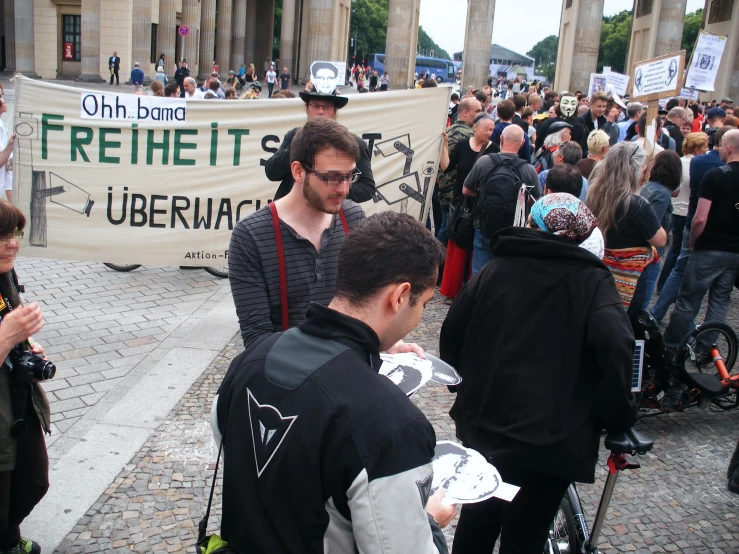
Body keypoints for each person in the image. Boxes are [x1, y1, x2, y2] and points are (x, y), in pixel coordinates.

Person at [215, 211, 453, 554]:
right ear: (400, 296)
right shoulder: (391, 425)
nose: (418, 318)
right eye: (424, 304)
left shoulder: (250, 361)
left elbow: (231, 440)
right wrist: (429, 521)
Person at [440, 192, 637, 554]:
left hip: (488, 426)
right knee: (526, 533)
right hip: (553, 439)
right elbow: (617, 350)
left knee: (477, 522)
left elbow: (452, 334)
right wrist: (618, 417)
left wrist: (464, 389)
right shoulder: (593, 284)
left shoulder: (495, 270)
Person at [232, 119, 367, 350]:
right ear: (298, 171)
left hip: (349, 366)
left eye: (349, 176)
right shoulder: (251, 235)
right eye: (332, 177)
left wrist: (389, 342)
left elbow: (366, 304)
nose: (344, 189)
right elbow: (257, 340)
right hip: (287, 374)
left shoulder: (353, 219)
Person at [0, 201, 51, 554]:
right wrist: (7, 335)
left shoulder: (6, 277)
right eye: (1, 236)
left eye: (15, 233)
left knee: (32, 480)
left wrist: (27, 344)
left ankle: (7, 535)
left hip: (17, 405)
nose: (12, 243)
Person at [663, 129, 739, 358]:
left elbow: (700, 217)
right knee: (720, 300)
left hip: (709, 247)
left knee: (689, 300)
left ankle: (671, 345)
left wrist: (693, 241)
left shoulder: (716, 175)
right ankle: (704, 348)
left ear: (727, 148)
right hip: (734, 251)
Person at [650, 126, 732, 325]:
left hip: (697, 225)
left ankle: (658, 316)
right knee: (719, 297)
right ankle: (706, 342)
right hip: (725, 236)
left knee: (684, 277)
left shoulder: (699, 161)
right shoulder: (709, 164)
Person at [586, 142, 666, 317]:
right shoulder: (636, 204)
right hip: (630, 276)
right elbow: (660, 240)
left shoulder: (594, 193)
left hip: (600, 269)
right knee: (627, 322)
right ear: (636, 170)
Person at [264, 89, 375, 203]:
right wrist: (300, 142)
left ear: (335, 111)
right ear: (307, 109)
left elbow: (367, 188)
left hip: (332, 214)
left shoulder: (353, 143)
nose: (321, 111)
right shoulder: (293, 135)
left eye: (327, 106)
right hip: (289, 212)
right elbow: (272, 172)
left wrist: (332, 188)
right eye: (316, 106)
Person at [463, 124, 541, 276]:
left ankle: (478, 296)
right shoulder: (528, 169)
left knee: (480, 269)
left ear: (501, 139)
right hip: (514, 228)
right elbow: (537, 200)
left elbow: (466, 189)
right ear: (523, 143)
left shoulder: (484, 162)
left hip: (484, 223)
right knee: (508, 270)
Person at [439, 113, 498, 298]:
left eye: (492, 129)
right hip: (460, 203)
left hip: (480, 205)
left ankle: (472, 289)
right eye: (487, 128)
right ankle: (453, 289)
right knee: (457, 245)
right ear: (475, 127)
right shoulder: (464, 145)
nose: (490, 132)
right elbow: (446, 168)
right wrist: (445, 145)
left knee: (477, 248)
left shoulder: (494, 149)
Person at [657, 132, 709, 293]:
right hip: (687, 211)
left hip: (676, 209)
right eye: (705, 147)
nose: (707, 150)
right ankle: (674, 284)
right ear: (697, 149)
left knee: (674, 249)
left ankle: (663, 283)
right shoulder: (699, 164)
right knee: (684, 251)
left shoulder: (679, 162)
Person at [635, 150, 682, 310]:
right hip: (649, 254)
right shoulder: (662, 195)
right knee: (642, 302)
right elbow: (652, 226)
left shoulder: (646, 187)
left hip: (638, 251)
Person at [437, 97, 483, 243]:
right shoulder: (471, 137)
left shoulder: (445, 132)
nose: (480, 114)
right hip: (459, 194)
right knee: (450, 231)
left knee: (443, 227)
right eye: (477, 111)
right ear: (465, 113)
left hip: (443, 190)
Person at [0, 100, 14, 204]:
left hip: (6, 156)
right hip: (3, 157)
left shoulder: (1, 123)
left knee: (9, 182)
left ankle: (12, 208)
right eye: (4, 103)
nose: (6, 104)